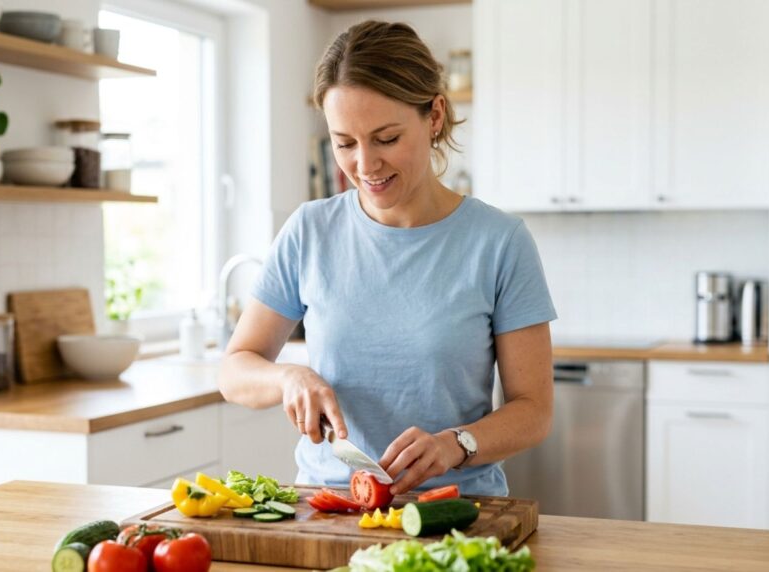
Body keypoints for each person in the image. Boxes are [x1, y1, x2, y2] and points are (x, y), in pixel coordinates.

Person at [218, 20, 556, 497]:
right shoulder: (310, 231)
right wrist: (287, 377)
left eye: (386, 138)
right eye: (345, 143)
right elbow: (235, 370)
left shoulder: (499, 242)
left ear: (434, 115)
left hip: (455, 510)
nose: (365, 165)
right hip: (328, 507)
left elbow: (534, 409)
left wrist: (457, 444)